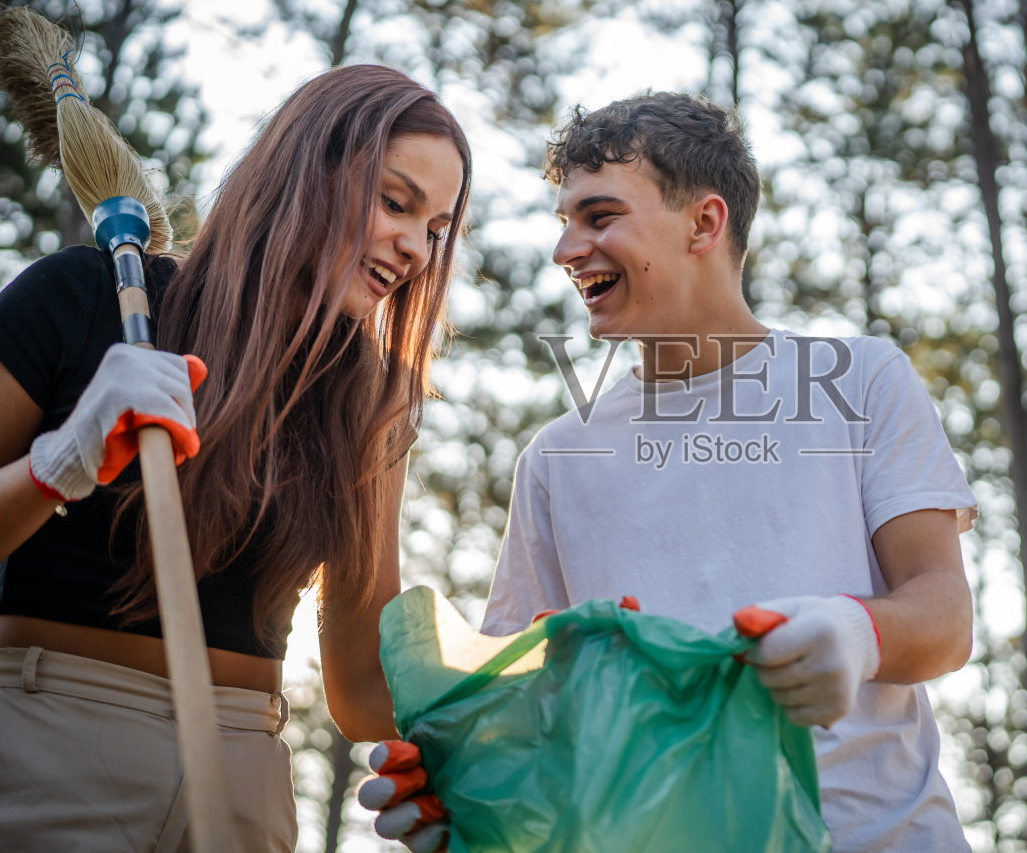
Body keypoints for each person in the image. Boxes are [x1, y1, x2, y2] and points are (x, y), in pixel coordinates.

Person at [365, 93, 976, 853]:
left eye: (599, 216)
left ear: (705, 223)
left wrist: (857, 633)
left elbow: (946, 614)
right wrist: (456, 786)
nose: (565, 250)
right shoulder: (558, 459)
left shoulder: (862, 382)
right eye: (565, 224)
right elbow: (529, 703)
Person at [0, 61, 472, 851]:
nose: (414, 247)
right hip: (35, 759)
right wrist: (61, 464)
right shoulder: (81, 297)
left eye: (436, 230)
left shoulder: (368, 403)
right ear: (305, 172)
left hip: (245, 793)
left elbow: (360, 688)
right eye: (394, 202)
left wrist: (498, 701)